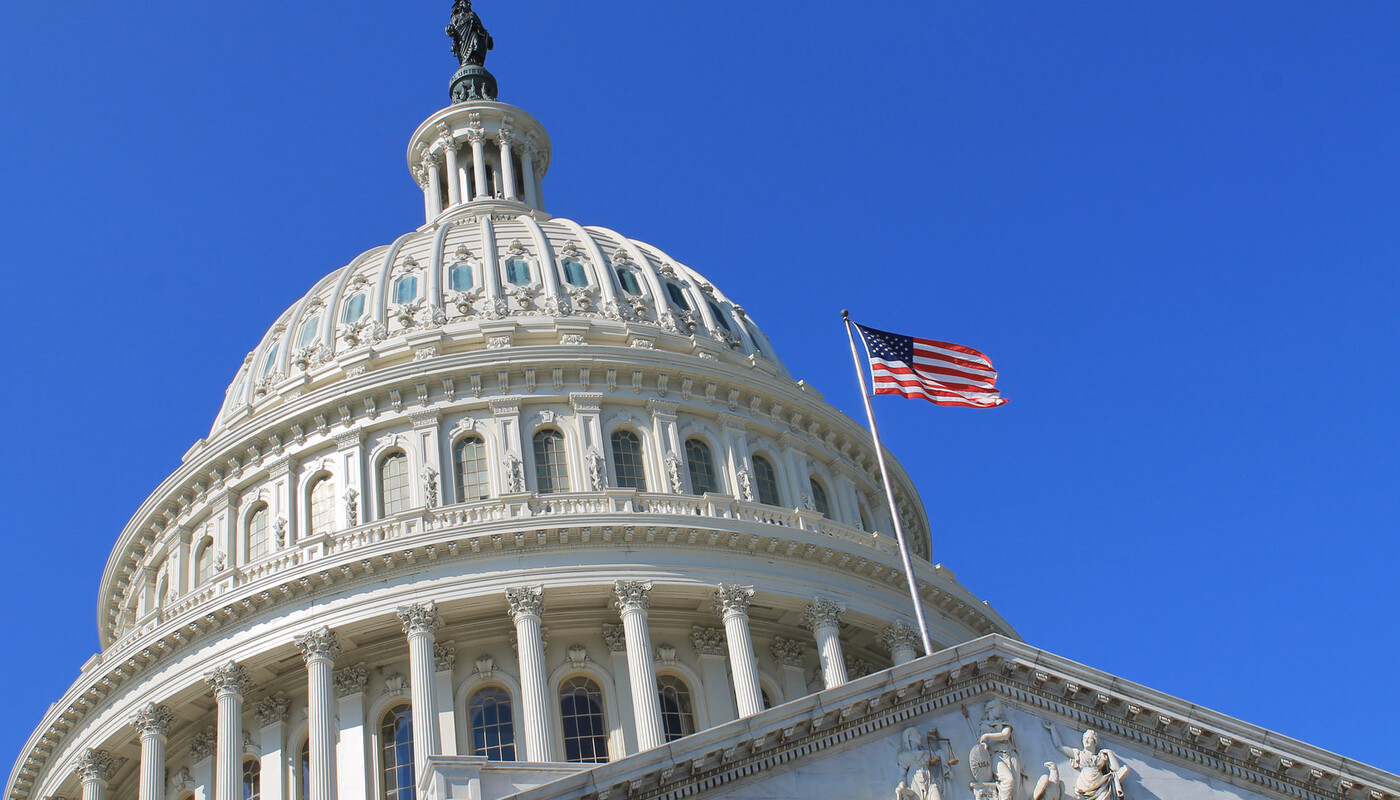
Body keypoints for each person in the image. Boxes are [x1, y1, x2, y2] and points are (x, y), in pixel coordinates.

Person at [1044, 722, 1131, 800]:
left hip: (1100, 784)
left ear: (1095, 741)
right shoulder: (1079, 754)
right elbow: (1059, 746)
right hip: (1084, 785)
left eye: (1089, 738)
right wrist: (1053, 730)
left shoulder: (1101, 757)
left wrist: (1109, 753)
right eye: (1084, 738)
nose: (1086, 740)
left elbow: (1116, 769)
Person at [978, 698, 1020, 800]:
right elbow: (982, 743)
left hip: (1010, 754)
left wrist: (987, 736)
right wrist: (984, 745)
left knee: (1015, 787)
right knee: (1008, 780)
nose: (1001, 712)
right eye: (999, 709)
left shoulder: (1005, 724)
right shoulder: (983, 726)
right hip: (996, 755)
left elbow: (1005, 735)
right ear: (991, 709)